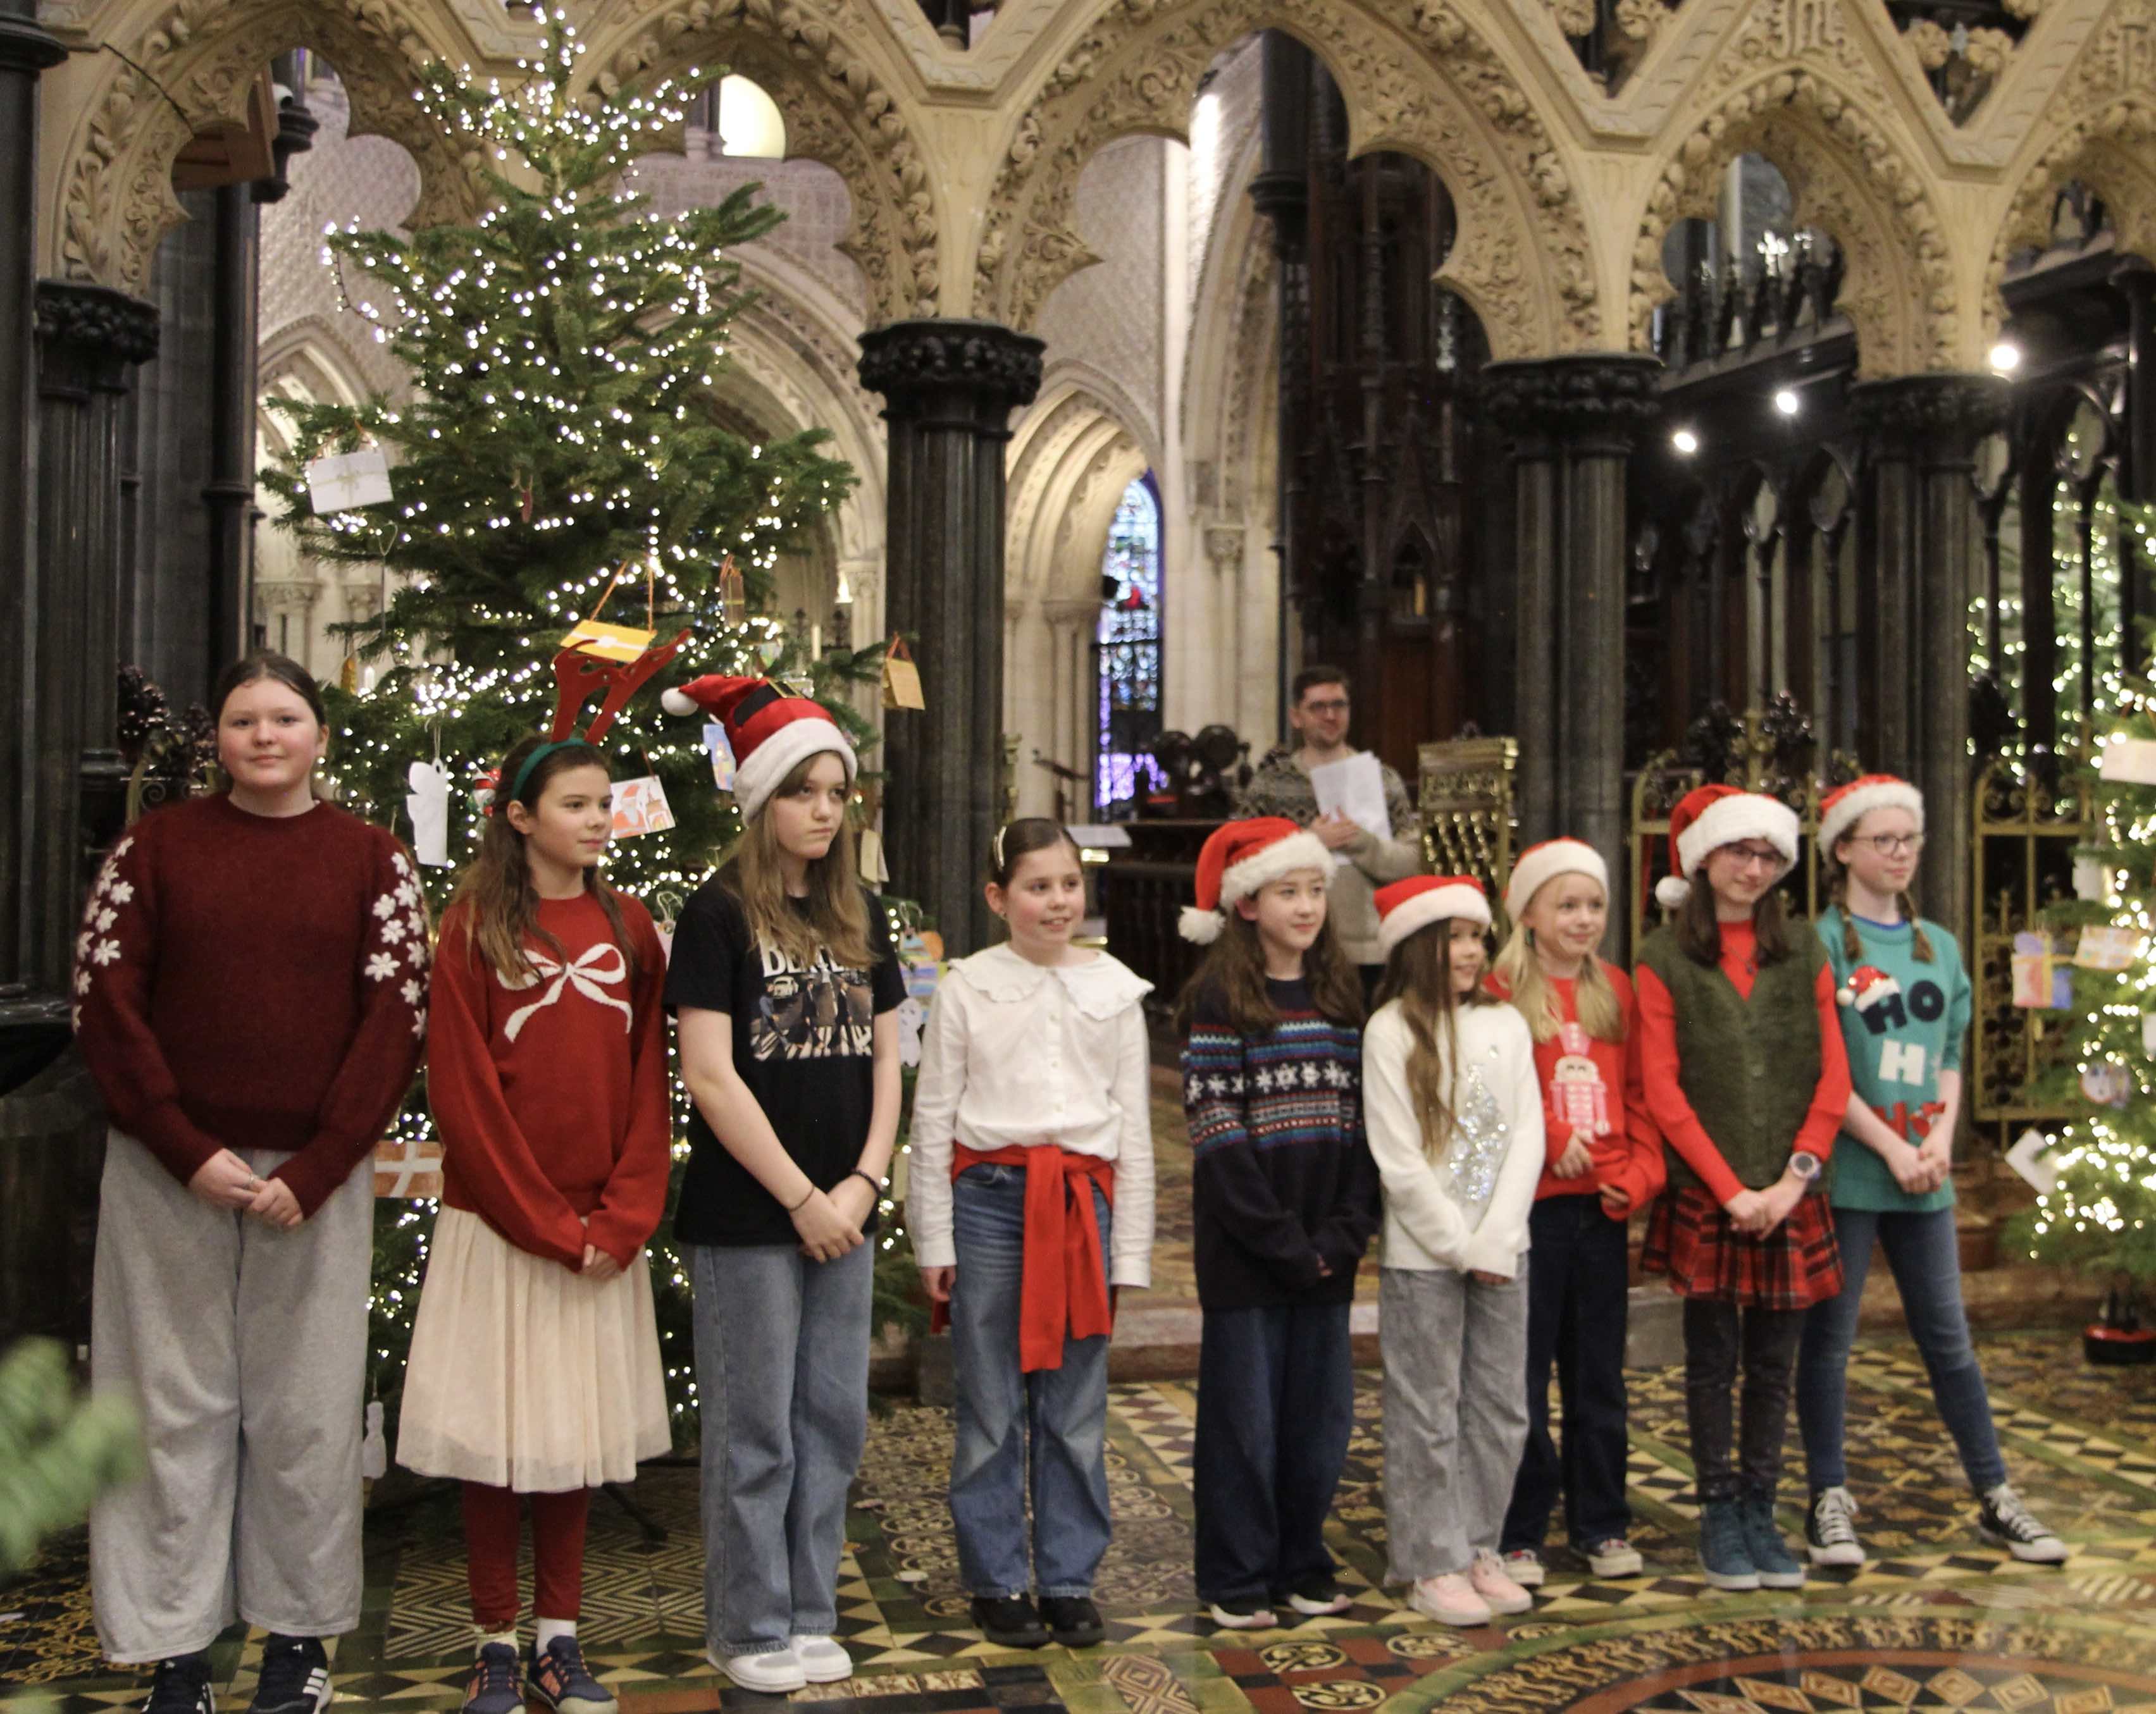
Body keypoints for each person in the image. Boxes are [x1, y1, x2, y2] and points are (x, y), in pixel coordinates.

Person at [73, 651, 426, 1714]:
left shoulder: (374, 860)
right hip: (169, 1171)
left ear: (319, 734)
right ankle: (173, 1645)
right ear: (217, 740)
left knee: (306, 1413)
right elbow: (106, 1000)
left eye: (283, 718)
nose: (263, 737)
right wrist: (184, 1146)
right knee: (168, 1407)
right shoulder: (156, 848)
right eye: (241, 722)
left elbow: (396, 1019)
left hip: (310, 1183)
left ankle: (300, 1639)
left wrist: (319, 1167)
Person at [399, 734, 673, 1714]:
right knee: (495, 1438)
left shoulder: (633, 926)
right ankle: (495, 1643)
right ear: (521, 818)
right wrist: (551, 1224)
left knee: (572, 1441)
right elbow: (464, 1099)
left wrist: (626, 1213)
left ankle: (561, 1634)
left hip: (602, 1233)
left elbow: (651, 1085)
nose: (599, 820)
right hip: (505, 1228)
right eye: (575, 805)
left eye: (605, 803)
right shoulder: (470, 928)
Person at [662, 674, 905, 1694]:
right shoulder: (714, 917)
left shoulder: (862, 914)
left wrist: (858, 1184)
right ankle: (749, 1622)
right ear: (761, 799)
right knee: (756, 1431)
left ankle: (810, 1610)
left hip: (843, 1214)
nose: (822, 810)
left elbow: (889, 1065)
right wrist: (801, 1198)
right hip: (750, 1219)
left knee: (831, 1424)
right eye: (802, 791)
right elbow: (710, 1075)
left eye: (835, 793)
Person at [1795, 776, 2066, 1567]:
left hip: (1928, 1168)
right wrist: (1890, 1148)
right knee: (1831, 1342)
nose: (1901, 854)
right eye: (1883, 841)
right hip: (1853, 1170)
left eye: (1909, 840)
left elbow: (1949, 1054)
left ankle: (1996, 1492)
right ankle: (1828, 1497)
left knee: (1949, 1341)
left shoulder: (1939, 946)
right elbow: (1826, 1070)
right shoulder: (1822, 943)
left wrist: (1940, 1140)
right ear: (1843, 849)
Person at [909, 818, 1157, 1650]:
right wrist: (933, 1242)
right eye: (1037, 886)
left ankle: (1067, 1577)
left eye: (1067, 884)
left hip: (1083, 1204)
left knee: (1076, 1403)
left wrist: (1132, 1252)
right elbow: (935, 1117)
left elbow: (1135, 1134)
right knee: (989, 1402)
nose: (1057, 901)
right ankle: (996, 1577)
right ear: (998, 897)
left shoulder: (1116, 988)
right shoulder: (968, 986)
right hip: (989, 1200)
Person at [1635, 784, 1851, 1594]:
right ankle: (1719, 1510)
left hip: (1792, 1192)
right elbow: (1662, 1088)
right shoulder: (1663, 958)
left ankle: (1763, 1506)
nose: (1753, 868)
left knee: (1773, 1363)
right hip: (1712, 1194)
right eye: (1739, 851)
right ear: (1703, 859)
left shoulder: (1806, 952)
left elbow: (1834, 1076)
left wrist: (1793, 1182)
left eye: (1769, 855)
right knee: (1711, 1359)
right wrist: (1732, 1192)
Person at [1176, 818, 1378, 1631]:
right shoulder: (1221, 998)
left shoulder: (1338, 996)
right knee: (1244, 1427)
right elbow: (1217, 1134)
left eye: (1316, 890)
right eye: (1288, 891)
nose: (1306, 906)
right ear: (1248, 903)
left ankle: (1303, 1560)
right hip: (1249, 1256)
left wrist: (1342, 1233)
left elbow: (1365, 1126)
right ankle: (1235, 1571)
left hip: (1326, 1255)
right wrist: (1285, 1244)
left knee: (1318, 1426)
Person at [1362, 876, 1546, 1627]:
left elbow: (1529, 1132)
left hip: (1506, 1247)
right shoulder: (1390, 1031)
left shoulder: (1505, 1025)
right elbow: (1398, 1158)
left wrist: (1499, 1234)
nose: (1473, 951)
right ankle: (1428, 1559)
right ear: (1418, 946)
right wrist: (1457, 1242)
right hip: (1424, 1255)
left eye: (1479, 935)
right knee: (1426, 1408)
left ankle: (1478, 1543)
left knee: (1502, 1407)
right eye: (1457, 937)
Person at [1488, 840, 1664, 1589]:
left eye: (1594, 904)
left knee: (1599, 1377)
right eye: (1566, 904)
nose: (1583, 918)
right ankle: (1520, 1528)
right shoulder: (1501, 993)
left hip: (1601, 1211)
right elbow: (1494, 1099)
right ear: (1527, 912)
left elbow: (1642, 1101)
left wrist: (1640, 1175)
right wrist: (1553, 1141)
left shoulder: (1615, 992)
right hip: (1533, 1213)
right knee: (1521, 1380)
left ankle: (1602, 1521)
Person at [1236, 667, 1423, 990]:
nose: (1330, 715)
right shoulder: (1270, 784)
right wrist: (1312, 842)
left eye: (1339, 705)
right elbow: (1242, 864)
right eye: (1318, 707)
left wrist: (1359, 841)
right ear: (1297, 717)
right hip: (1292, 949)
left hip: (1370, 947)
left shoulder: (1383, 780)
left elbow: (1414, 863)